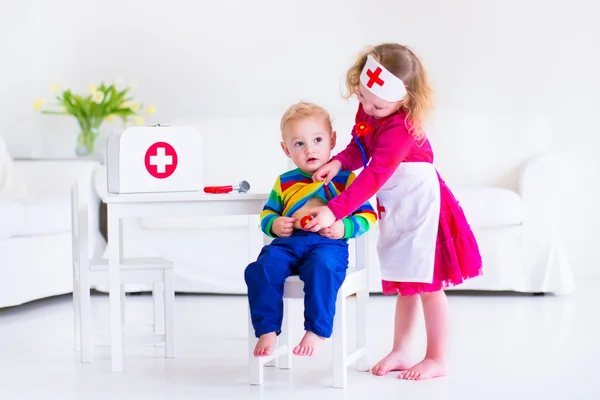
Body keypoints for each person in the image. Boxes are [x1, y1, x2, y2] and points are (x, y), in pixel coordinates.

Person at [305, 43, 483, 380]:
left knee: (428, 286)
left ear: (404, 101)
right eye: (362, 99)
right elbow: (361, 146)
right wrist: (339, 161)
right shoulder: (373, 110)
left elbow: (374, 174)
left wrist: (335, 211)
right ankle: (401, 350)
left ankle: (437, 357)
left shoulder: (402, 127)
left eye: (378, 105)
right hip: (397, 202)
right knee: (406, 281)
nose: (368, 109)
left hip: (421, 204)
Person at [245, 101, 376, 358]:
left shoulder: (346, 179)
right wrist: (274, 224)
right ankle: (268, 328)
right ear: (286, 149)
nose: (310, 149)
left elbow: (368, 215)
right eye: (299, 144)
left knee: (323, 268)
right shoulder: (284, 182)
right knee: (262, 266)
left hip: (328, 245)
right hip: (288, 245)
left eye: (317, 140)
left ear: (332, 140)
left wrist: (343, 227)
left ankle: (317, 330)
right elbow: (268, 213)